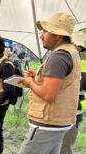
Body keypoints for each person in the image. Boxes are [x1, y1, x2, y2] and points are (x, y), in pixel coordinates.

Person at [19, 13, 81, 154]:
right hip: (60, 121)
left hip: (47, 123)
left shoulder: (58, 56)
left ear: (57, 34)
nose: (41, 36)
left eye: (45, 31)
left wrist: (29, 83)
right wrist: (38, 79)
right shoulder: (72, 52)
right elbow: (63, 83)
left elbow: (48, 95)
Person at [60, 31, 86, 154]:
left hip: (73, 115)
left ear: (80, 47)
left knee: (65, 148)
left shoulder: (83, 66)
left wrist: (80, 105)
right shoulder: (60, 60)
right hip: (56, 114)